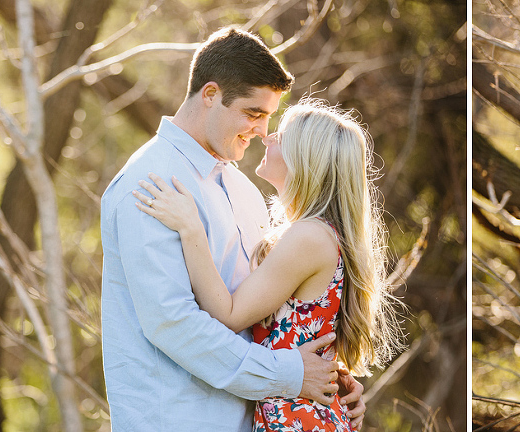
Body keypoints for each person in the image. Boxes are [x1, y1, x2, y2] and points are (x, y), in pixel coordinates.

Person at [100, 28, 364, 431]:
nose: (261, 132)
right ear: (210, 95)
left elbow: (278, 312)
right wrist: (290, 374)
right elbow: (173, 323)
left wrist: (328, 378)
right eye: (253, 113)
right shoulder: (151, 184)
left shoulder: (244, 190)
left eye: (269, 118)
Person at [134, 98, 401, 432]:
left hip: (299, 420)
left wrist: (191, 229)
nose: (267, 137)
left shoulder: (309, 237)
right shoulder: (314, 235)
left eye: (281, 135)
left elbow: (228, 315)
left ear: (305, 158)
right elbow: (302, 332)